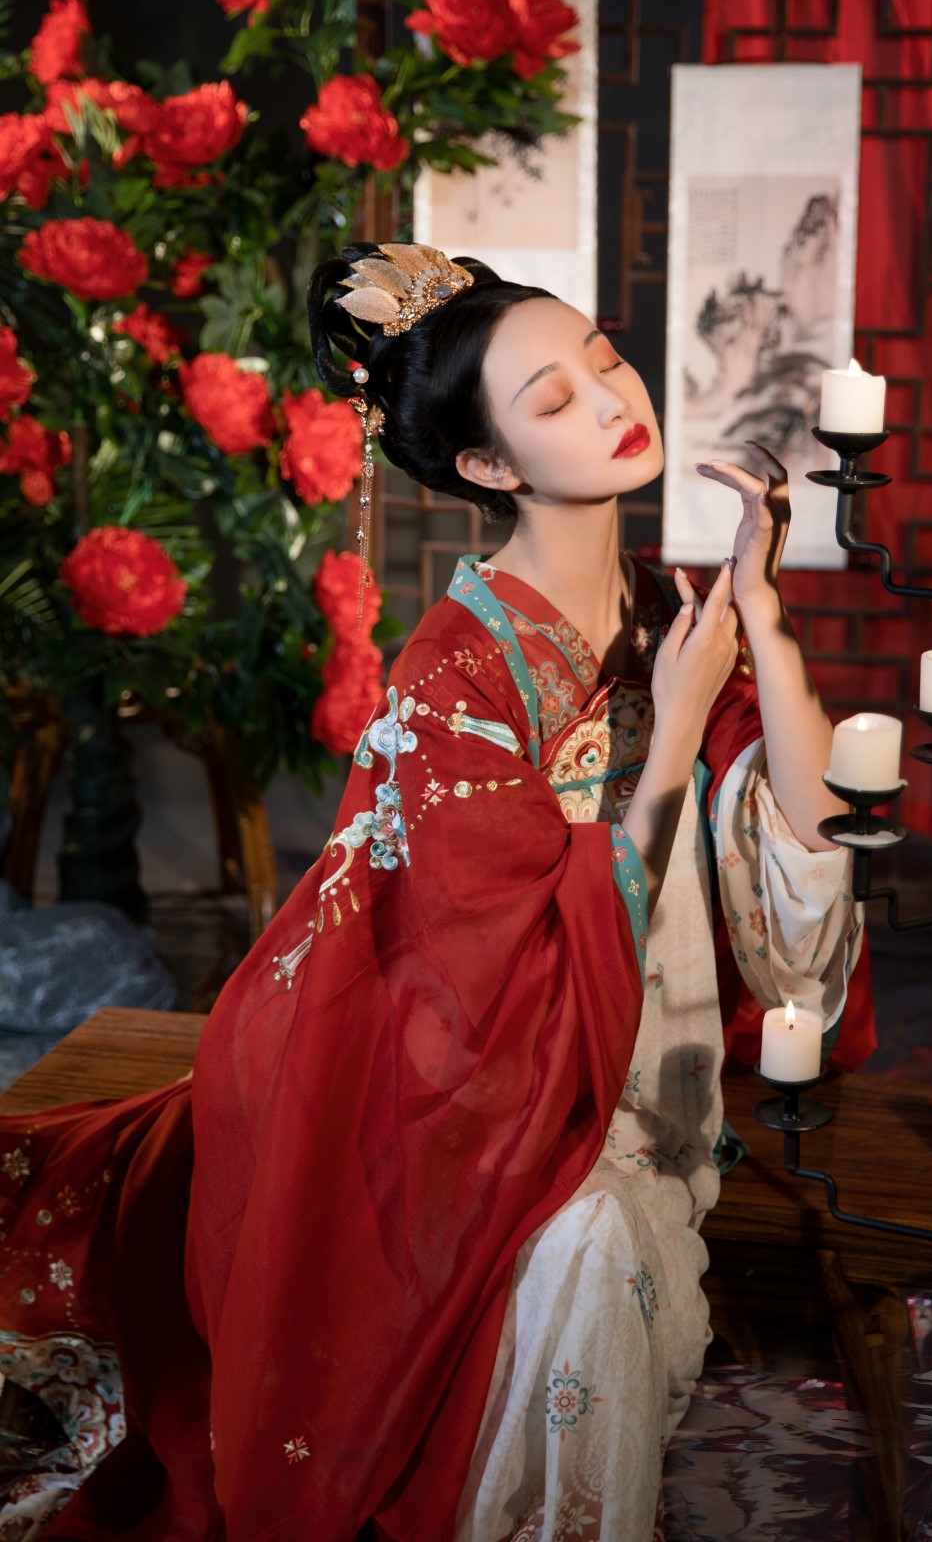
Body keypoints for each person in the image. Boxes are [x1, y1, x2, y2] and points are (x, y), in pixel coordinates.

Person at [0, 244, 872, 1541]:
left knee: (601, 1242)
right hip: (452, 1071)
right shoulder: (455, 669)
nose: (612, 397)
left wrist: (762, 607)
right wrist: (675, 732)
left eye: (604, 358)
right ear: (488, 465)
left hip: (629, 1047)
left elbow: (809, 833)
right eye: (555, 399)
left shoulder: (661, 607)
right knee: (585, 1256)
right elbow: (480, 974)